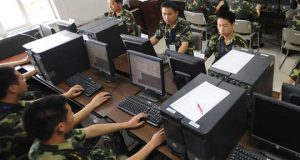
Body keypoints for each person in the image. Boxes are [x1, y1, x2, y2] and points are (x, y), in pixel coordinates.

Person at [0, 66, 111, 159]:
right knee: (107, 133)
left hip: (38, 146)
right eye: (21, 78)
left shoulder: (6, 102)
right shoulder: (12, 123)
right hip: (39, 154)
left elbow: (35, 104)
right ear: (13, 88)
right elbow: (59, 123)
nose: (25, 78)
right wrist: (92, 105)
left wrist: (65, 95)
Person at [23, 95, 166, 160]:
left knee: (110, 133)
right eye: (71, 113)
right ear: (60, 126)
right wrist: (152, 144)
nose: (74, 114)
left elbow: (90, 130)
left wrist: (127, 124)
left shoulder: (47, 139)